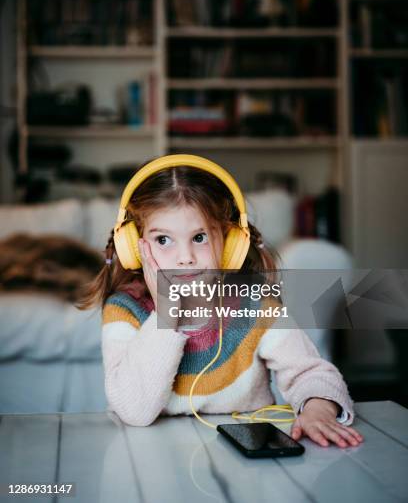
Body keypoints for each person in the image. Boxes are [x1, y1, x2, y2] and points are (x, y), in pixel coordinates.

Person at [79, 155, 363, 448]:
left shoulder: (255, 306)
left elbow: (310, 371)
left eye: (199, 237)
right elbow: (134, 412)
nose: (185, 257)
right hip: (155, 462)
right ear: (134, 247)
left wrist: (317, 408)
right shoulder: (124, 310)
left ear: (229, 244)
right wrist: (167, 314)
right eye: (163, 240)